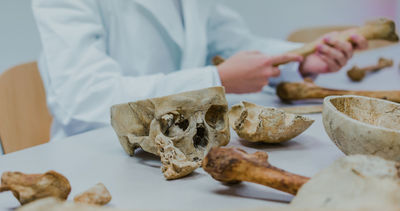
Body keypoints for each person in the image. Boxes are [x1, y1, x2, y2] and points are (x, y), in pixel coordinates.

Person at [32, 1, 367, 140]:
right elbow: (84, 97)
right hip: (99, 149)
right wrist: (215, 81)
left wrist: (303, 59)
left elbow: (236, 41)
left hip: (189, 143)